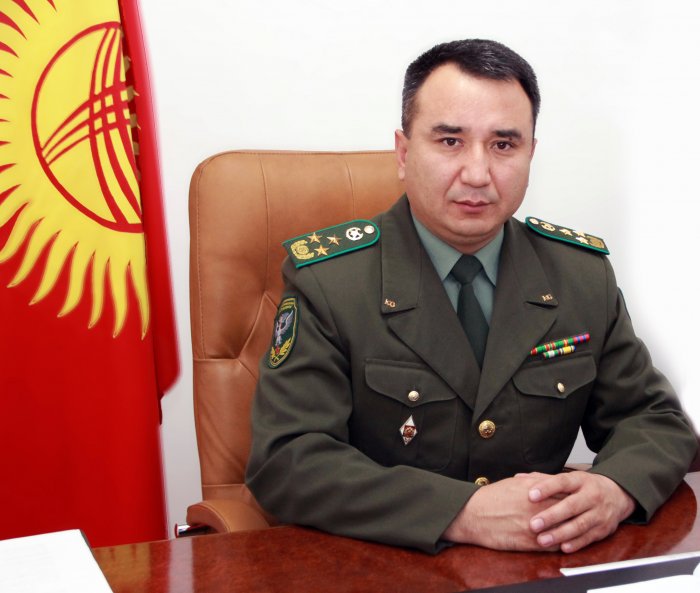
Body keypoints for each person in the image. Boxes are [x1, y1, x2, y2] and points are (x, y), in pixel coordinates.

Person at [245, 39, 698, 554]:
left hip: (543, 565)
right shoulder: (331, 283)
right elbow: (288, 460)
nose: (478, 174)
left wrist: (614, 488)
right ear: (403, 152)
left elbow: (655, 420)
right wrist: (461, 512)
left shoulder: (580, 276)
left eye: (503, 145)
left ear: (531, 154)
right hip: (387, 564)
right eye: (450, 141)